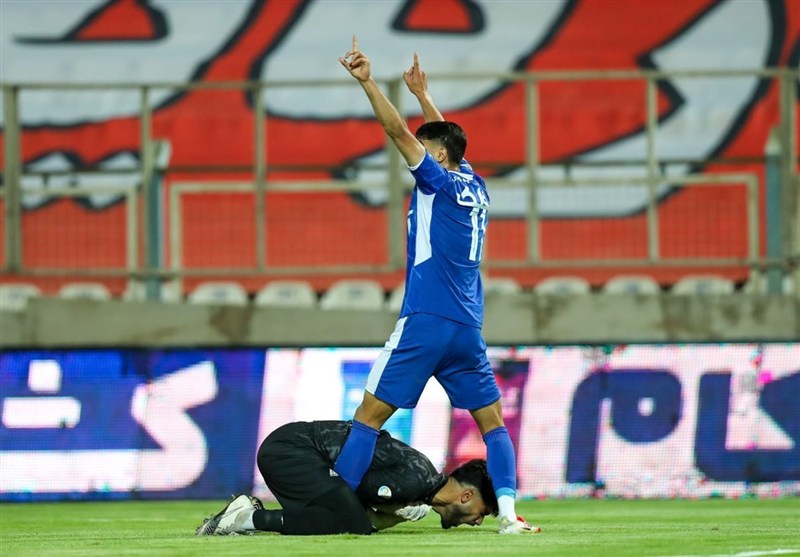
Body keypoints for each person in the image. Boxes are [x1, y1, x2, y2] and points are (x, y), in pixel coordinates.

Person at [332, 36, 538, 535]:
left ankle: (333, 508)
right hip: (467, 328)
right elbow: (449, 143)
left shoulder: (437, 181)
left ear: (438, 156)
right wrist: (424, 95)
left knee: (368, 417)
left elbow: (396, 130)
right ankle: (508, 515)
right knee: (494, 426)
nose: (418, 154)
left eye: (427, 150)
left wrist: (369, 84)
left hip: (426, 319)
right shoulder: (475, 185)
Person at [195, 420, 497, 535]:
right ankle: (245, 518)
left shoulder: (422, 481)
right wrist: (393, 509)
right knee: (351, 522)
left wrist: (392, 512)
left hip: (290, 448)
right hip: (290, 450)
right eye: (481, 512)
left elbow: (356, 503)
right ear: (467, 495)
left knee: (343, 518)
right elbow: (356, 498)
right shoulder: (417, 482)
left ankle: (246, 514)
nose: (478, 521)